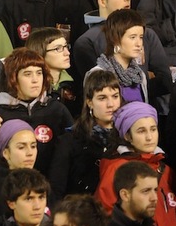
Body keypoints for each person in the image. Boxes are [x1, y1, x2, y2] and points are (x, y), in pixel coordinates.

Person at [95, 101, 176, 226]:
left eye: (153, 129)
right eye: (141, 131)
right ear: (127, 136)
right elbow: (104, 214)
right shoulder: (117, 169)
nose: (150, 137)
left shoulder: (165, 169)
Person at [0, 48, 73, 179]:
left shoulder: (56, 110)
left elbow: (69, 155)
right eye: (27, 74)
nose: (35, 80)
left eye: (39, 73)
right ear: (13, 78)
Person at [50, 70, 122, 201]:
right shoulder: (70, 140)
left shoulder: (127, 137)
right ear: (89, 102)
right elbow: (56, 190)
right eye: (102, 98)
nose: (111, 104)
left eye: (115, 96)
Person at [88, 9, 149, 103]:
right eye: (132, 37)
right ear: (115, 39)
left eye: (140, 37)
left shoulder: (139, 76)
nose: (139, 43)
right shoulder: (97, 74)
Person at [26, 27, 81, 117]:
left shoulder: (75, 83)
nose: (67, 53)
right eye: (58, 49)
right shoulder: (32, 86)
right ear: (39, 53)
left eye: (66, 46)